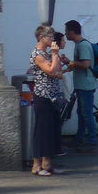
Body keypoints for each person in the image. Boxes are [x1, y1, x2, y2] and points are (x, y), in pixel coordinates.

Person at [29, 25, 64, 175]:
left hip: (53, 95)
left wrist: (55, 61)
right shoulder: (38, 54)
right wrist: (55, 55)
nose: (52, 40)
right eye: (50, 37)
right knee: (43, 130)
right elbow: (51, 71)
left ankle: (47, 163)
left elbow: (59, 72)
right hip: (43, 96)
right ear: (41, 38)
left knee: (52, 130)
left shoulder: (48, 54)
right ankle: (37, 165)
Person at [64, 20, 98, 150]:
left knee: (86, 114)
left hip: (86, 85)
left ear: (72, 32)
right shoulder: (80, 44)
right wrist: (70, 64)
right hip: (83, 85)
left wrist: (70, 62)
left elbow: (85, 64)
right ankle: (79, 139)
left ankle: (92, 141)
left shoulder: (82, 46)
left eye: (67, 31)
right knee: (82, 113)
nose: (65, 34)